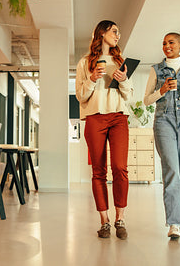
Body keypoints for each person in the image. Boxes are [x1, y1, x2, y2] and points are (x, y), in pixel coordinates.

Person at [75, 20, 133, 239]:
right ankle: (105, 221)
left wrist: (124, 79)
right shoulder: (85, 62)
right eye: (114, 31)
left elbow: (129, 95)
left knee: (120, 168)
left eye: (119, 32)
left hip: (118, 117)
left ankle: (121, 218)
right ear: (102, 32)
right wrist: (92, 79)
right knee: (98, 171)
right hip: (94, 118)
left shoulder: (121, 61)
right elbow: (81, 97)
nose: (118, 35)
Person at [143, 32, 180, 238]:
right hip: (163, 121)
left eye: (171, 42)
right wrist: (162, 89)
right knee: (171, 171)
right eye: (164, 43)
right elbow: (146, 100)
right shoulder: (156, 70)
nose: (167, 46)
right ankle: (174, 223)